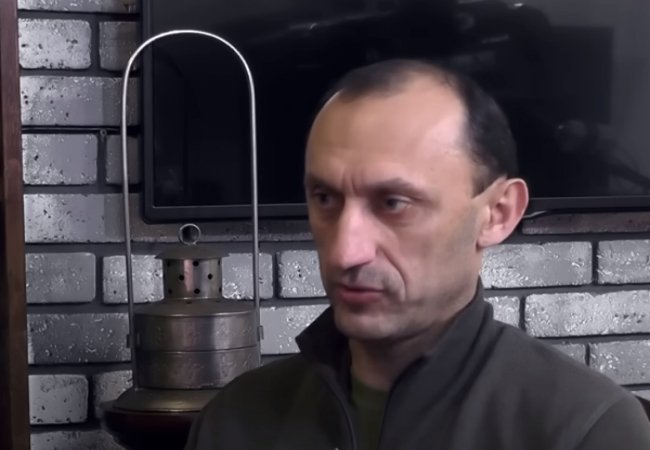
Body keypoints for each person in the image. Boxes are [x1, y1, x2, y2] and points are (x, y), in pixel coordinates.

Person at [183, 59, 650, 450]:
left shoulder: (586, 430)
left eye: (394, 203)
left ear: (497, 214)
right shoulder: (235, 421)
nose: (346, 252)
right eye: (325, 198)